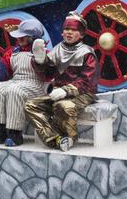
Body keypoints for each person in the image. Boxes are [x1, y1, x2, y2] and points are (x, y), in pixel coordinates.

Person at [25, 13, 98, 151]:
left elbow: (87, 81)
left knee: (63, 106)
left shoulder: (87, 53)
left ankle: (70, 138)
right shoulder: (58, 49)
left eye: (74, 30)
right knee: (31, 106)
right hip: (58, 92)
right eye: (66, 29)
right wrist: (40, 61)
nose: (69, 32)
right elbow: (48, 73)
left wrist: (66, 90)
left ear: (81, 34)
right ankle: (55, 138)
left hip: (83, 93)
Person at [0, 19, 48, 147]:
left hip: (35, 84)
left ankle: (15, 133)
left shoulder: (42, 52)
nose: (19, 39)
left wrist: (42, 62)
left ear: (32, 38)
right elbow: (2, 72)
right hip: (16, 81)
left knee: (14, 91)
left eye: (23, 37)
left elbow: (49, 74)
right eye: (19, 36)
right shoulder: (13, 52)